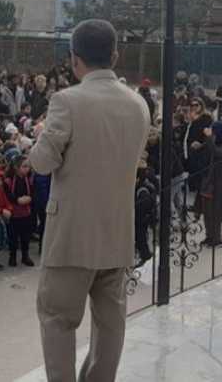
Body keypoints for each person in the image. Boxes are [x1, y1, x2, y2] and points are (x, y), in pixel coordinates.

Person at [28, 19, 150, 382]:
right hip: (116, 233)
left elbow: (42, 163)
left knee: (58, 319)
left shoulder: (67, 101)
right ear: (114, 55)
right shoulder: (138, 104)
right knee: (110, 323)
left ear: (73, 59)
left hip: (71, 238)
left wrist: (39, 137)